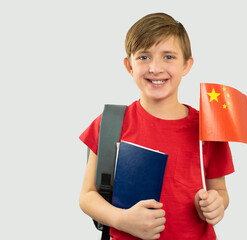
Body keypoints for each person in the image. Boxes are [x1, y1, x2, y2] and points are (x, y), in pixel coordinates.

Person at [79, 12, 234, 240]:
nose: (155, 68)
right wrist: (122, 220)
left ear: (186, 65)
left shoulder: (209, 127)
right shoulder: (110, 123)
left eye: (168, 57)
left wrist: (216, 203)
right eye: (144, 57)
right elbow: (87, 196)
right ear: (129, 66)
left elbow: (220, 190)